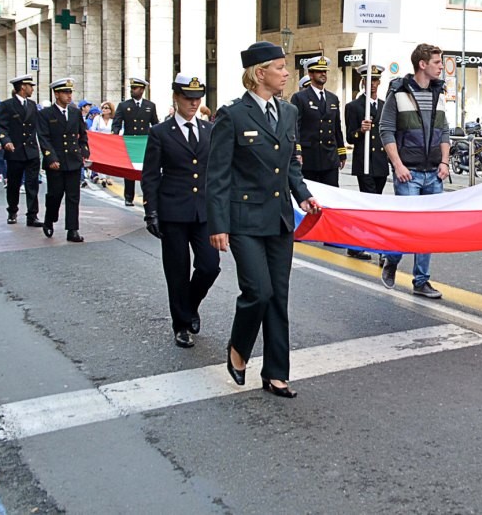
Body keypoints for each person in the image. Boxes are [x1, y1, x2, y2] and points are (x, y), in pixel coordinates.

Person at [207, 41, 319, 397]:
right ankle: (239, 348)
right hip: (244, 220)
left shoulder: (288, 112)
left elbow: (290, 166)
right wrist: (218, 224)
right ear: (259, 73)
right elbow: (217, 175)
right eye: (280, 67)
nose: (286, 73)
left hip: (279, 219)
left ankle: (276, 373)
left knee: (278, 297)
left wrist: (303, 195)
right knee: (258, 291)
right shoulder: (232, 115)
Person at [142, 74, 220, 349]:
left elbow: (217, 172)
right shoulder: (161, 132)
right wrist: (151, 211)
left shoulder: (209, 130)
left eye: (198, 98)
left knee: (210, 266)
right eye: (188, 98)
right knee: (177, 271)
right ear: (176, 98)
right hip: (173, 211)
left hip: (203, 211)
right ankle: (181, 325)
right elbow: (151, 175)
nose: (194, 103)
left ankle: (190, 305)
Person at [377, 43, 450, 300]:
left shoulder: (439, 93)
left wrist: (445, 162)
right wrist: (398, 165)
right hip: (408, 173)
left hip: (434, 173)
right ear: (422, 64)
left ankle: (421, 281)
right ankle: (392, 258)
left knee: (427, 229)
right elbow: (385, 130)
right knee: (406, 226)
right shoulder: (398, 93)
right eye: (437, 62)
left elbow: (444, 131)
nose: (441, 67)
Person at [343, 64, 389, 261]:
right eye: (368, 80)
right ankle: (371, 246)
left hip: (380, 163)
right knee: (370, 205)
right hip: (365, 162)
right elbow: (349, 137)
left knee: (375, 204)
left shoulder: (385, 105)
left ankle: (357, 244)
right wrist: (360, 131)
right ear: (363, 82)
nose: (372, 84)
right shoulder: (353, 107)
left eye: (375, 80)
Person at [37, 79, 88, 242]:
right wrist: (50, 157)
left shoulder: (75, 112)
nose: (69, 95)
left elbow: (82, 134)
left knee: (73, 196)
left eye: (70, 92)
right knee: (55, 194)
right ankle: (49, 219)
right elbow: (44, 138)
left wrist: (84, 150)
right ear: (56, 94)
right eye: (65, 92)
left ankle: (72, 229)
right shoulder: (46, 114)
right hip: (56, 161)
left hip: (73, 159)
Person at [289, 57, 347, 186]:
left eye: (325, 71)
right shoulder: (300, 98)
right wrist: (297, 152)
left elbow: (337, 128)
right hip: (309, 157)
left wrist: (341, 153)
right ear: (310, 74)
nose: (323, 74)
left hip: (330, 157)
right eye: (319, 71)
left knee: (332, 193)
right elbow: (295, 127)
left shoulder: (332, 98)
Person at [0, 75, 43, 226]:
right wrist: (6, 141)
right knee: (14, 185)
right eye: (30, 86)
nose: (32, 89)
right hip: (15, 151)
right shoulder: (7, 105)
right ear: (23, 87)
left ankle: (32, 215)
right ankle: (12, 211)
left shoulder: (32, 105)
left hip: (31, 151)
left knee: (32, 184)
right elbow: (0, 127)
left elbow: (38, 126)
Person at [112, 77, 158, 206]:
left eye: (135, 88)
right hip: (130, 142)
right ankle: (128, 197)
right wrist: (114, 136)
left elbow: (155, 124)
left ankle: (147, 197)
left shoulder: (150, 106)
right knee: (129, 170)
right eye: (131, 88)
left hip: (144, 142)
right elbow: (117, 123)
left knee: (146, 170)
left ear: (142, 90)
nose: (132, 90)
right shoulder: (124, 105)